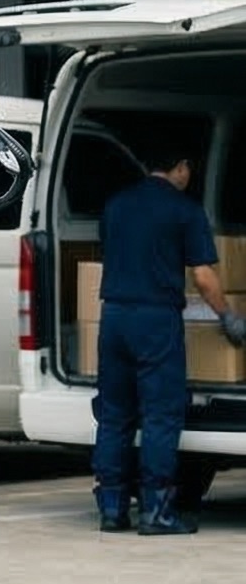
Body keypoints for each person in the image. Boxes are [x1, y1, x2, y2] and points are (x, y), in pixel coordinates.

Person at [93, 143, 245, 535]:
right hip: (155, 319)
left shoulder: (116, 205)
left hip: (112, 316)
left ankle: (111, 508)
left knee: (114, 414)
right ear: (181, 166)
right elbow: (204, 277)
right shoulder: (184, 210)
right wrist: (228, 316)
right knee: (161, 414)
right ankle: (156, 512)